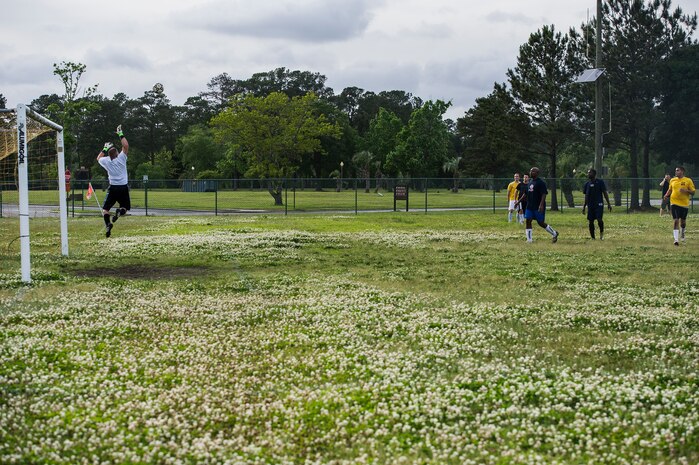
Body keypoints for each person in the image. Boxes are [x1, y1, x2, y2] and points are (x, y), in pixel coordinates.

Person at [96, 125, 130, 238]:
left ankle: (108, 224)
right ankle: (120, 211)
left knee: (105, 209)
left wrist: (104, 148)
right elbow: (125, 145)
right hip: (123, 187)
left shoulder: (106, 161)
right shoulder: (121, 158)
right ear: (117, 153)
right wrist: (120, 133)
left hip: (113, 187)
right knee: (125, 206)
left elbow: (98, 158)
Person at [523, 167, 559, 243]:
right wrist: (518, 202)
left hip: (538, 206)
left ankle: (554, 233)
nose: (530, 172)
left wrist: (541, 205)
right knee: (528, 221)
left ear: (537, 173)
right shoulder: (530, 182)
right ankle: (529, 240)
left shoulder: (541, 183)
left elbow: (544, 194)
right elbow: (526, 193)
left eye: (533, 171)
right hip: (530, 206)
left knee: (540, 223)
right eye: (530, 171)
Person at [663, 166, 695, 246]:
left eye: (677, 170)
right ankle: (676, 240)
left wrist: (686, 190)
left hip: (684, 204)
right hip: (674, 203)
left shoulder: (688, 180)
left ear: (682, 171)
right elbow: (670, 189)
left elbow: (693, 192)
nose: (676, 172)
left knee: (683, 222)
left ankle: (683, 233)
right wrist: (666, 195)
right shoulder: (673, 180)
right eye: (676, 170)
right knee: (676, 220)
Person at [582, 169, 612, 240]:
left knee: (599, 219)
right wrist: (584, 207)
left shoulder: (600, 182)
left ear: (594, 174)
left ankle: (601, 234)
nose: (588, 174)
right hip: (590, 205)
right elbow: (586, 196)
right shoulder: (587, 184)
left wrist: (608, 204)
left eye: (590, 173)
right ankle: (593, 237)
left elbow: (605, 193)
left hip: (599, 204)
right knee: (590, 221)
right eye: (588, 173)